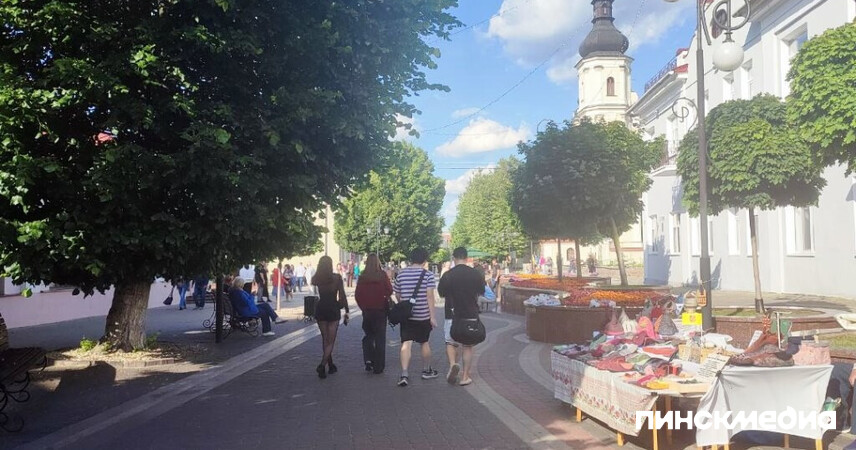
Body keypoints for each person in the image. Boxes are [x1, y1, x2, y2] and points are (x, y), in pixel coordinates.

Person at [438, 247, 485, 386]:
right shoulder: (475, 274)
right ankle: (465, 377)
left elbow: (441, 293)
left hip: (451, 313)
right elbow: (481, 292)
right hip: (469, 313)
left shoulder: (448, 275)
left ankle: (453, 364)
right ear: (466, 257)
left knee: (450, 342)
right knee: (468, 345)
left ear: (454, 258)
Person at [393, 248, 438, 387]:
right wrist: (433, 316)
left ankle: (404, 373)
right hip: (423, 315)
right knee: (424, 342)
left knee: (406, 343)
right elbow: (430, 296)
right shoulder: (428, 275)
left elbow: (397, 294)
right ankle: (426, 370)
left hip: (407, 316)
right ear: (425, 260)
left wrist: (404, 305)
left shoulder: (401, 274)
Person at [311, 256, 349, 379]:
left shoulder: (317, 278)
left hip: (321, 307)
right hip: (333, 308)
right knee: (331, 341)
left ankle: (331, 364)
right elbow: (342, 295)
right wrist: (346, 310)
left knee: (325, 339)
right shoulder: (337, 278)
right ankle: (322, 365)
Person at [355, 254, 392, 374]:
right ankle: (379, 366)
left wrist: (363, 307)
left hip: (367, 311)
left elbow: (357, 295)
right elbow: (390, 290)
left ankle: (368, 359)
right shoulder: (382, 275)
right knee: (380, 338)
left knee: (368, 336)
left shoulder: (362, 277)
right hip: (380, 310)